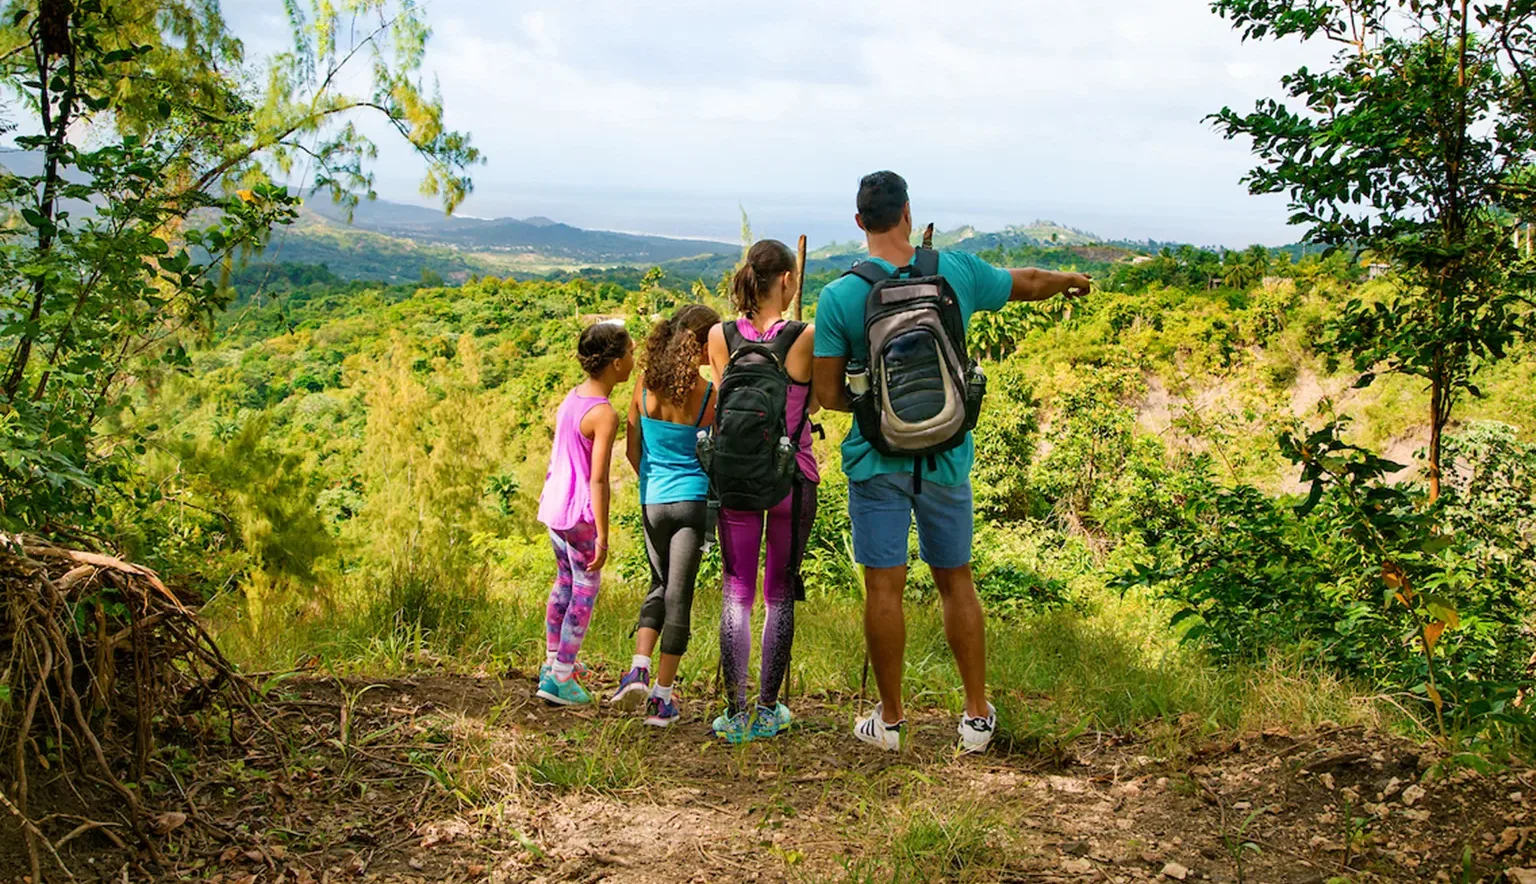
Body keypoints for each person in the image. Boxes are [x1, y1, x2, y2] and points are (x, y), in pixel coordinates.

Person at [813, 171, 1090, 753]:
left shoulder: (840, 295)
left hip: (875, 461)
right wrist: (1070, 280)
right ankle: (974, 716)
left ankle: (889, 722)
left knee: (883, 590)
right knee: (955, 581)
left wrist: (876, 408)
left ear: (859, 222)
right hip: (945, 455)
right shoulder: (955, 272)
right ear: (908, 214)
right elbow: (1029, 281)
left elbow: (828, 394)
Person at [705, 239, 820, 743]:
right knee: (779, 594)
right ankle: (769, 709)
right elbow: (814, 406)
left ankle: (736, 711)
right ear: (789, 282)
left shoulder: (720, 334)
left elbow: (724, 400)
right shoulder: (804, 336)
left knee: (737, 592)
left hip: (735, 477)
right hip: (791, 474)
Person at [608, 304, 721, 726]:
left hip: (653, 501)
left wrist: (653, 486)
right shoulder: (708, 394)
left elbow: (633, 452)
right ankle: (662, 697)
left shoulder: (642, 387)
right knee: (680, 595)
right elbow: (717, 456)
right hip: (692, 503)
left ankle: (637, 669)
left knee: (658, 585)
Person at [535, 321, 635, 707]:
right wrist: (604, 536)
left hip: (554, 505)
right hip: (578, 512)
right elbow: (598, 480)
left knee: (563, 582)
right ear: (613, 363)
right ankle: (562, 676)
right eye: (629, 354)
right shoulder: (603, 413)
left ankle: (552, 665)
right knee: (586, 587)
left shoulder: (572, 397)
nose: (633, 360)